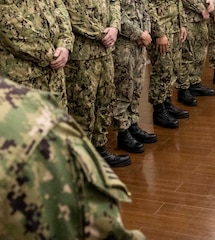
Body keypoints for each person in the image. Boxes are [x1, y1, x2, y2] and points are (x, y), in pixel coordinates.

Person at [0, 77, 145, 239]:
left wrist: (65, 49)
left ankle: (100, 145)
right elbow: (99, 225)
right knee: (85, 106)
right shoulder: (33, 126)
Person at [49, 0, 130, 168]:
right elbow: (70, 13)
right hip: (82, 56)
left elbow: (114, 0)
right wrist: (102, 33)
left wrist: (115, 27)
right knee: (82, 106)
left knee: (104, 101)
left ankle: (99, 149)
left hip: (105, 51)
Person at [134, 0, 189, 129]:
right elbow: (146, 6)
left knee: (171, 68)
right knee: (160, 70)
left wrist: (182, 24)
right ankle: (158, 110)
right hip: (161, 32)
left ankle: (167, 103)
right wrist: (159, 34)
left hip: (175, 27)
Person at [109, 0, 157, 153]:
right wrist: (139, 34)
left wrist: (146, 32)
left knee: (137, 85)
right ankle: (122, 131)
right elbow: (117, 16)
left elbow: (145, 11)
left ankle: (134, 123)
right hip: (123, 47)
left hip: (139, 46)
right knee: (123, 88)